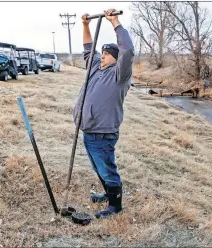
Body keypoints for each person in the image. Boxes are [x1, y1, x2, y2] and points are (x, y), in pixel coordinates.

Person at [73, 9, 134, 219]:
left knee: (108, 169)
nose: (102, 56)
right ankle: (108, 194)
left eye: (107, 54)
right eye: (103, 53)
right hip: (88, 130)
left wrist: (115, 22)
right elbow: (88, 49)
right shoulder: (96, 68)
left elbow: (128, 50)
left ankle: (115, 206)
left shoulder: (120, 75)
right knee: (98, 166)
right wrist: (85, 26)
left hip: (102, 132)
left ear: (116, 59)